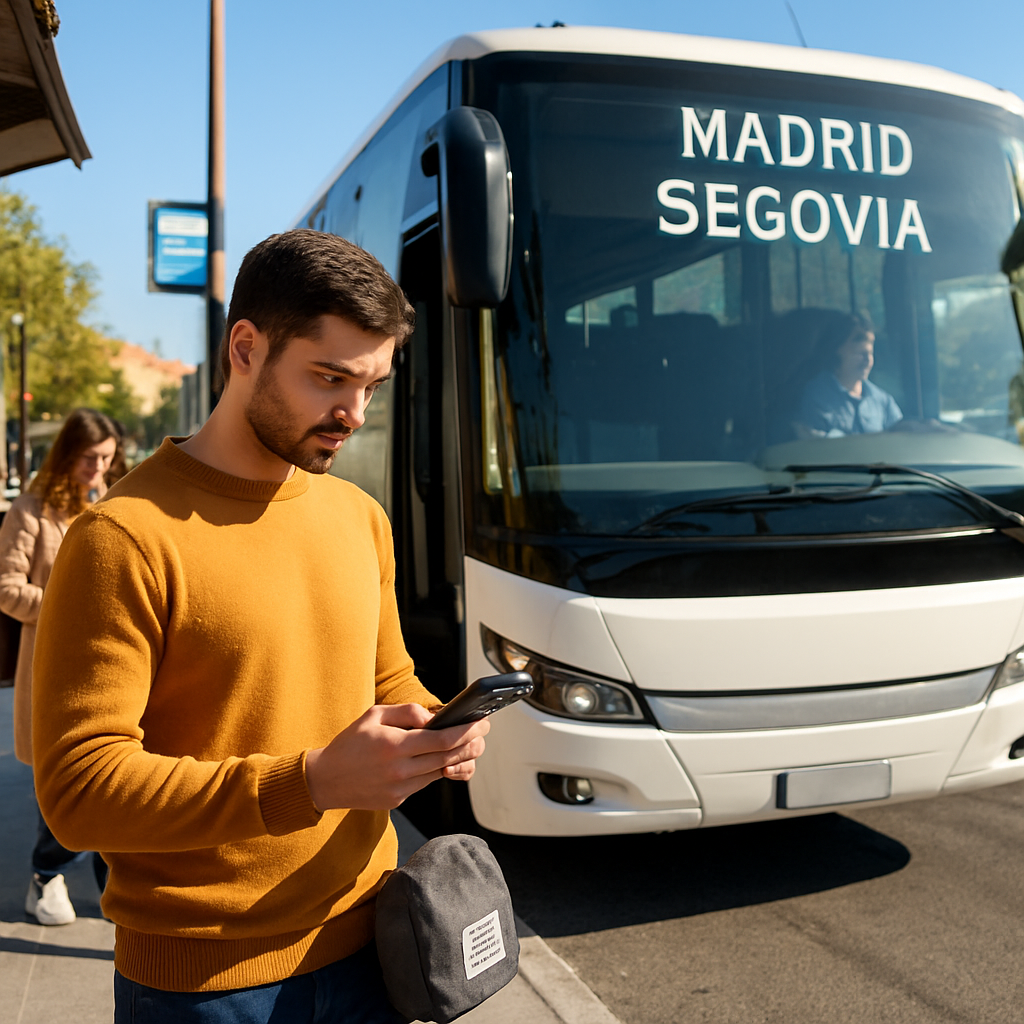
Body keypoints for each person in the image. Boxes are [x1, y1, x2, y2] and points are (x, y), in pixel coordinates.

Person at [30, 230, 489, 1022]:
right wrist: (308, 782)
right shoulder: (124, 538)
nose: (354, 412)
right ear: (246, 347)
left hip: (377, 944)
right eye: (329, 378)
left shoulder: (360, 518)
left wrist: (438, 728)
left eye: (373, 385)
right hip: (202, 984)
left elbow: (383, 681)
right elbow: (77, 792)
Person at [0, 408, 121, 925]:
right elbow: (7, 589)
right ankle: (45, 876)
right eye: (91, 458)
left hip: (115, 668)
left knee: (113, 784)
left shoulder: (120, 502)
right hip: (52, 668)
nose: (99, 469)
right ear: (68, 453)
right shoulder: (30, 510)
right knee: (68, 786)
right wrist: (70, 601)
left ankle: (115, 894)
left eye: (108, 460)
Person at [796, 313, 903, 436]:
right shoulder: (814, 397)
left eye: (870, 354)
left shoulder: (883, 401)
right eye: (860, 353)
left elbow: (901, 445)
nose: (867, 360)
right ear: (835, 351)